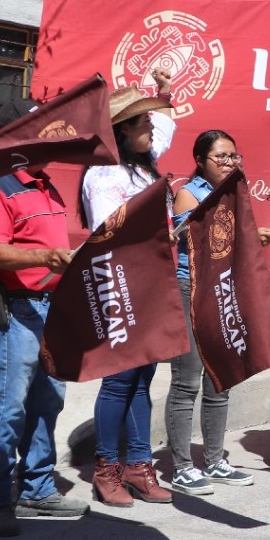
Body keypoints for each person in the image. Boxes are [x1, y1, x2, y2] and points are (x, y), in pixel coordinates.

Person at [0, 98, 89, 537]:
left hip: (50, 310)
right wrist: (46, 256)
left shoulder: (44, 183)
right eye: (40, 131)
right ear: (16, 138)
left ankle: (36, 489)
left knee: (46, 403)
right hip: (14, 311)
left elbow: (57, 239)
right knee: (8, 409)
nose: (50, 139)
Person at [80, 71, 176, 507]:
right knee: (119, 380)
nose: (152, 129)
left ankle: (139, 466)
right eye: (143, 124)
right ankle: (106, 470)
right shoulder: (104, 175)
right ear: (121, 131)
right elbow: (108, 234)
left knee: (142, 379)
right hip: (120, 285)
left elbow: (168, 124)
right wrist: (158, 234)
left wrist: (164, 94)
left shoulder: (141, 166)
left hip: (150, 283)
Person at [165, 130, 270, 494]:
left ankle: (214, 460)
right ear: (200, 161)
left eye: (234, 156)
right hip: (190, 288)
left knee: (220, 377)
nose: (230, 163)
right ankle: (181, 465)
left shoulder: (235, 194)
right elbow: (197, 236)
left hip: (223, 287)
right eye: (221, 157)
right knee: (187, 380)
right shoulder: (187, 193)